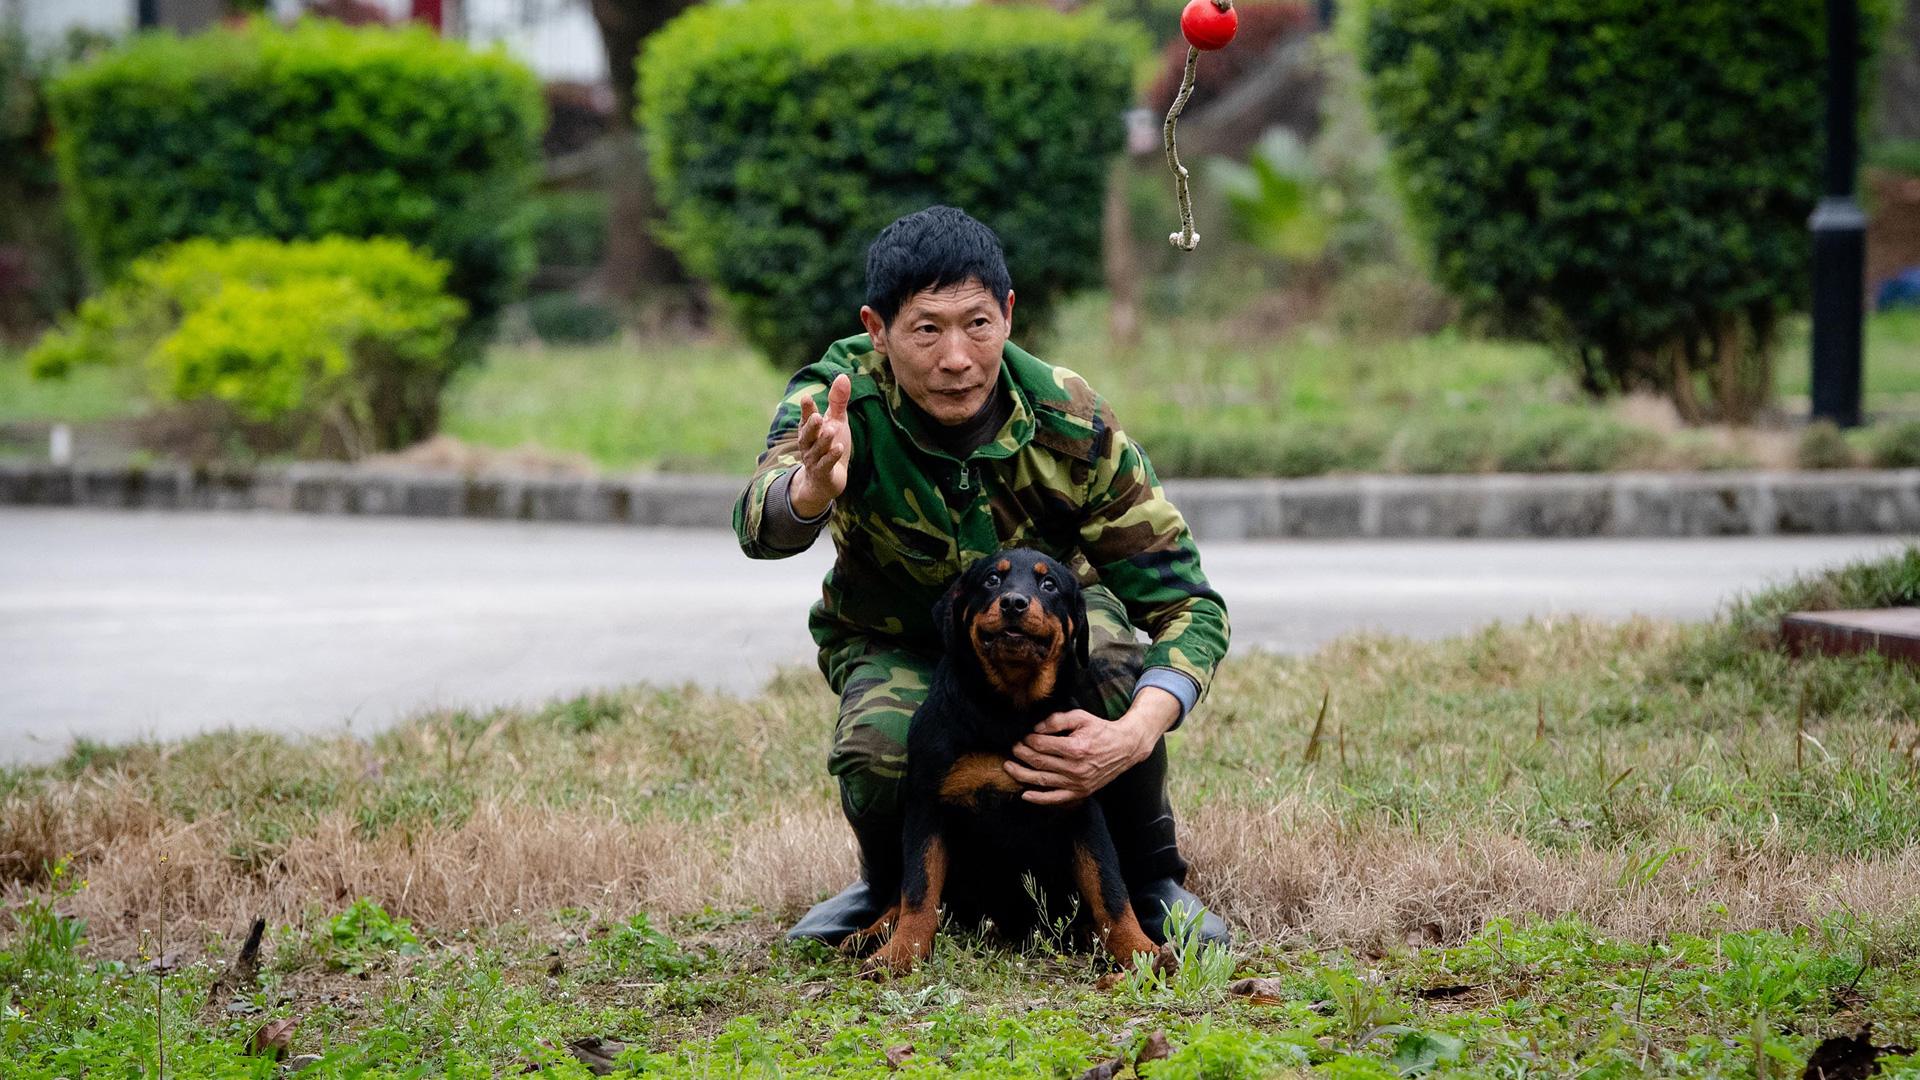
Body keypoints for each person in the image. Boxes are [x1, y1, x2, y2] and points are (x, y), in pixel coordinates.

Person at [733, 205, 1231, 946]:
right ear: (877, 330)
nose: (957, 358)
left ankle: (1150, 875)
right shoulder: (838, 400)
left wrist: (1133, 734)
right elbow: (757, 520)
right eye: (926, 329)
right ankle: (890, 891)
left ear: (1007, 313)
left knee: (1122, 668)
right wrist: (810, 491)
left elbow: (1189, 605)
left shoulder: (1071, 417)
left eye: (977, 324)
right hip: (899, 639)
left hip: (1051, 638)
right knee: (879, 743)